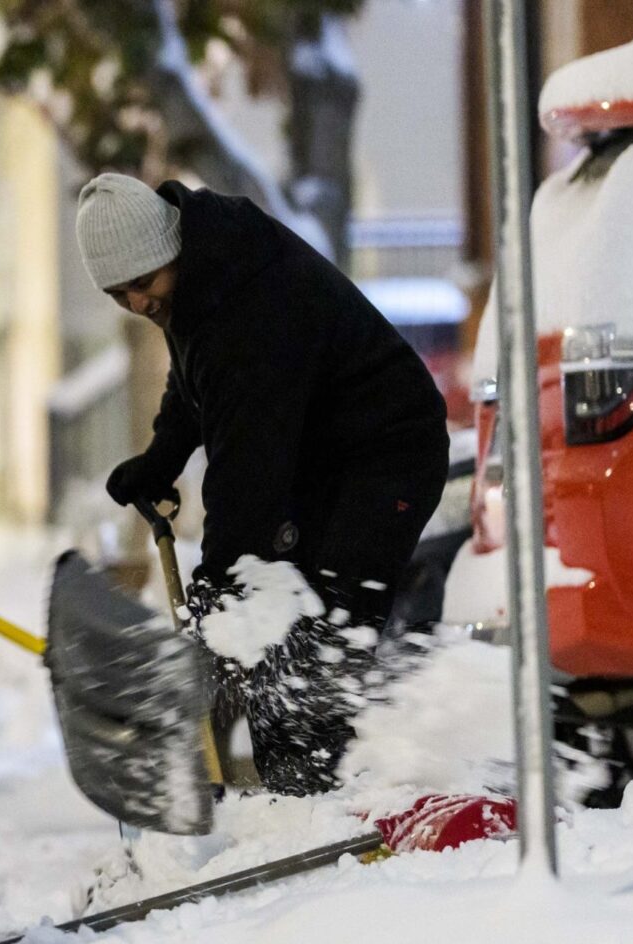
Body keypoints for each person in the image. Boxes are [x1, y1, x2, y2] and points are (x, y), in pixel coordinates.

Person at [75, 172, 448, 797]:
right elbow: (196, 384)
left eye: (142, 285)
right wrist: (162, 457)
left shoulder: (247, 298)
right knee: (276, 630)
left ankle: (326, 803)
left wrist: (220, 575)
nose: (138, 304)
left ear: (169, 252)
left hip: (385, 456)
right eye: (119, 294)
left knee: (321, 635)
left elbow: (248, 465)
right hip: (318, 457)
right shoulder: (193, 281)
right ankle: (298, 797)